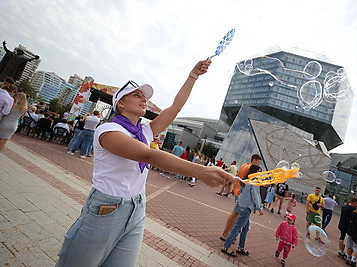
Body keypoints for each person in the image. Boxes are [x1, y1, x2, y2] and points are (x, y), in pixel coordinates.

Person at [56, 58, 234, 266]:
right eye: (136, 95)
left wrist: (193, 75)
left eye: (145, 97)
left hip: (137, 208)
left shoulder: (145, 131)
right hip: (106, 208)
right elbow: (147, 156)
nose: (144, 100)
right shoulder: (108, 130)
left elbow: (175, 107)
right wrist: (201, 171)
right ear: (120, 103)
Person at [221, 164, 263, 257]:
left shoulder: (245, 179)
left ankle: (241, 247)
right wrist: (260, 208)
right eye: (259, 171)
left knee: (245, 227)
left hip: (242, 205)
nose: (260, 174)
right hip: (246, 207)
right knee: (238, 227)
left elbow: (242, 191)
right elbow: (255, 195)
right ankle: (226, 247)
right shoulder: (254, 181)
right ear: (254, 172)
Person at [219, 154, 262, 241]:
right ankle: (227, 234)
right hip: (242, 194)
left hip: (238, 192)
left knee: (235, 214)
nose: (259, 164)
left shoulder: (243, 165)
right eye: (258, 162)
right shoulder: (250, 168)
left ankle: (228, 233)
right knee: (235, 215)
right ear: (254, 160)